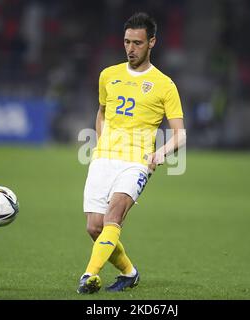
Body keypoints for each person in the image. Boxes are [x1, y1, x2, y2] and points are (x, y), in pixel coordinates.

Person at [78, 12, 186, 294]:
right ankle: (129, 272)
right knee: (94, 227)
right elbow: (101, 113)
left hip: (137, 161)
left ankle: (89, 274)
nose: (130, 49)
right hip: (104, 157)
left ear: (152, 42)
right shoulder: (108, 75)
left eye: (137, 43)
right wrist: (102, 143)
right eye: (127, 42)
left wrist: (160, 153)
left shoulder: (165, 84)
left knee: (114, 215)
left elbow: (180, 134)